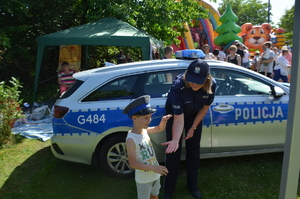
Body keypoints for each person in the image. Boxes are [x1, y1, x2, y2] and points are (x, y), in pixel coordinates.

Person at [162, 59, 216, 199]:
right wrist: (175, 140)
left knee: (194, 151)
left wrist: (193, 127)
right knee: (173, 152)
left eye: (198, 81)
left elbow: (204, 108)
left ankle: (192, 186)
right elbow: (178, 119)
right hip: (175, 115)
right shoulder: (178, 87)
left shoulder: (212, 85)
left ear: (207, 79)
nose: (194, 84)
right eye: (192, 80)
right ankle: (168, 189)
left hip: (194, 116)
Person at [124, 95, 172, 199]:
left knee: (155, 195)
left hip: (155, 174)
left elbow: (159, 128)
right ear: (134, 118)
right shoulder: (131, 139)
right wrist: (154, 168)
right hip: (144, 179)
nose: (149, 120)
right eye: (146, 118)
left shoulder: (144, 130)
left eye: (150, 117)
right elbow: (133, 163)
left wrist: (163, 121)